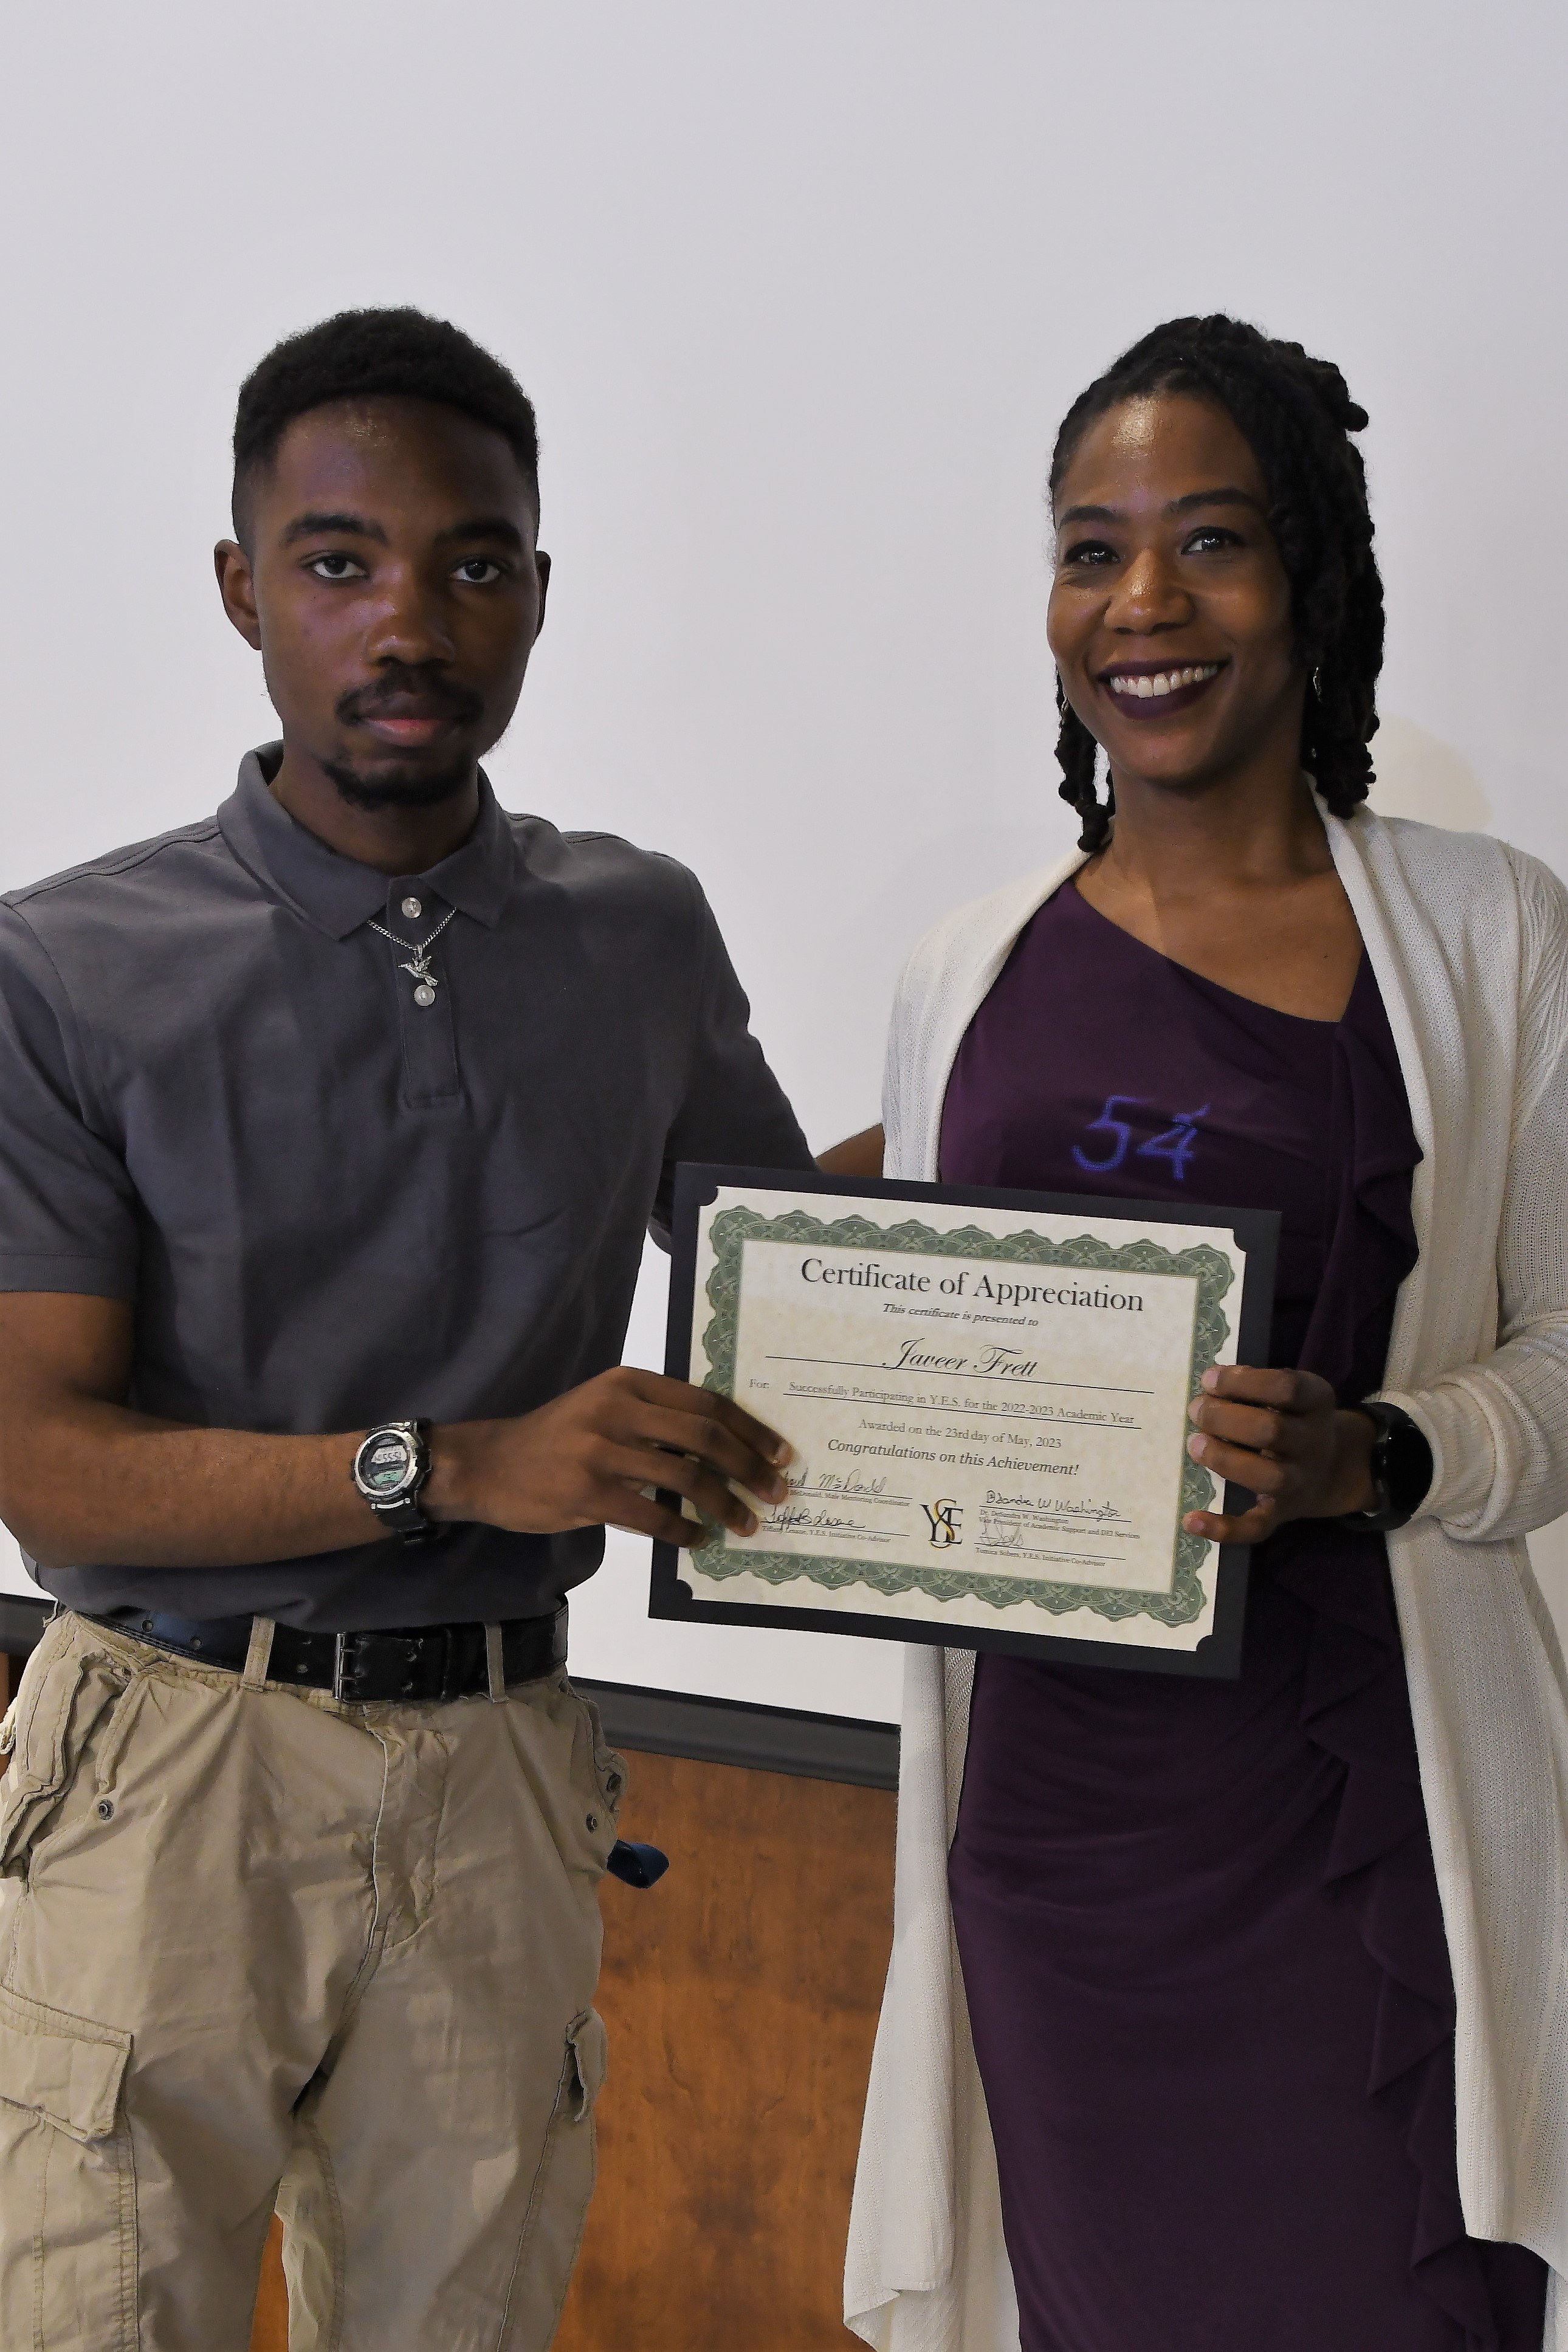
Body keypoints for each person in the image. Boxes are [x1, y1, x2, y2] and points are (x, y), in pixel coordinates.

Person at [0, 307, 813, 2351]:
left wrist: (1048, 1266)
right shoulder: (69, 967)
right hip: (168, 1776)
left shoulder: (636, 928)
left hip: (509, 1769)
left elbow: (787, 1270)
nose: (409, 621)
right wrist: (453, 1463)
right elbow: (40, 1464)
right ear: (242, 590)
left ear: (537, 590)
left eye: (472, 562)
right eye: (339, 561)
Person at [844, 316, 1568, 2350]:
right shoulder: (964, 970)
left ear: (1312, 586)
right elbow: (905, 1335)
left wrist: (1384, 1452)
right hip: (1059, 1858)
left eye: (1210, 542)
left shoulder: (1487, 932)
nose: (1141, 602)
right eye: (1089, 548)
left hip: (1355, 1831)